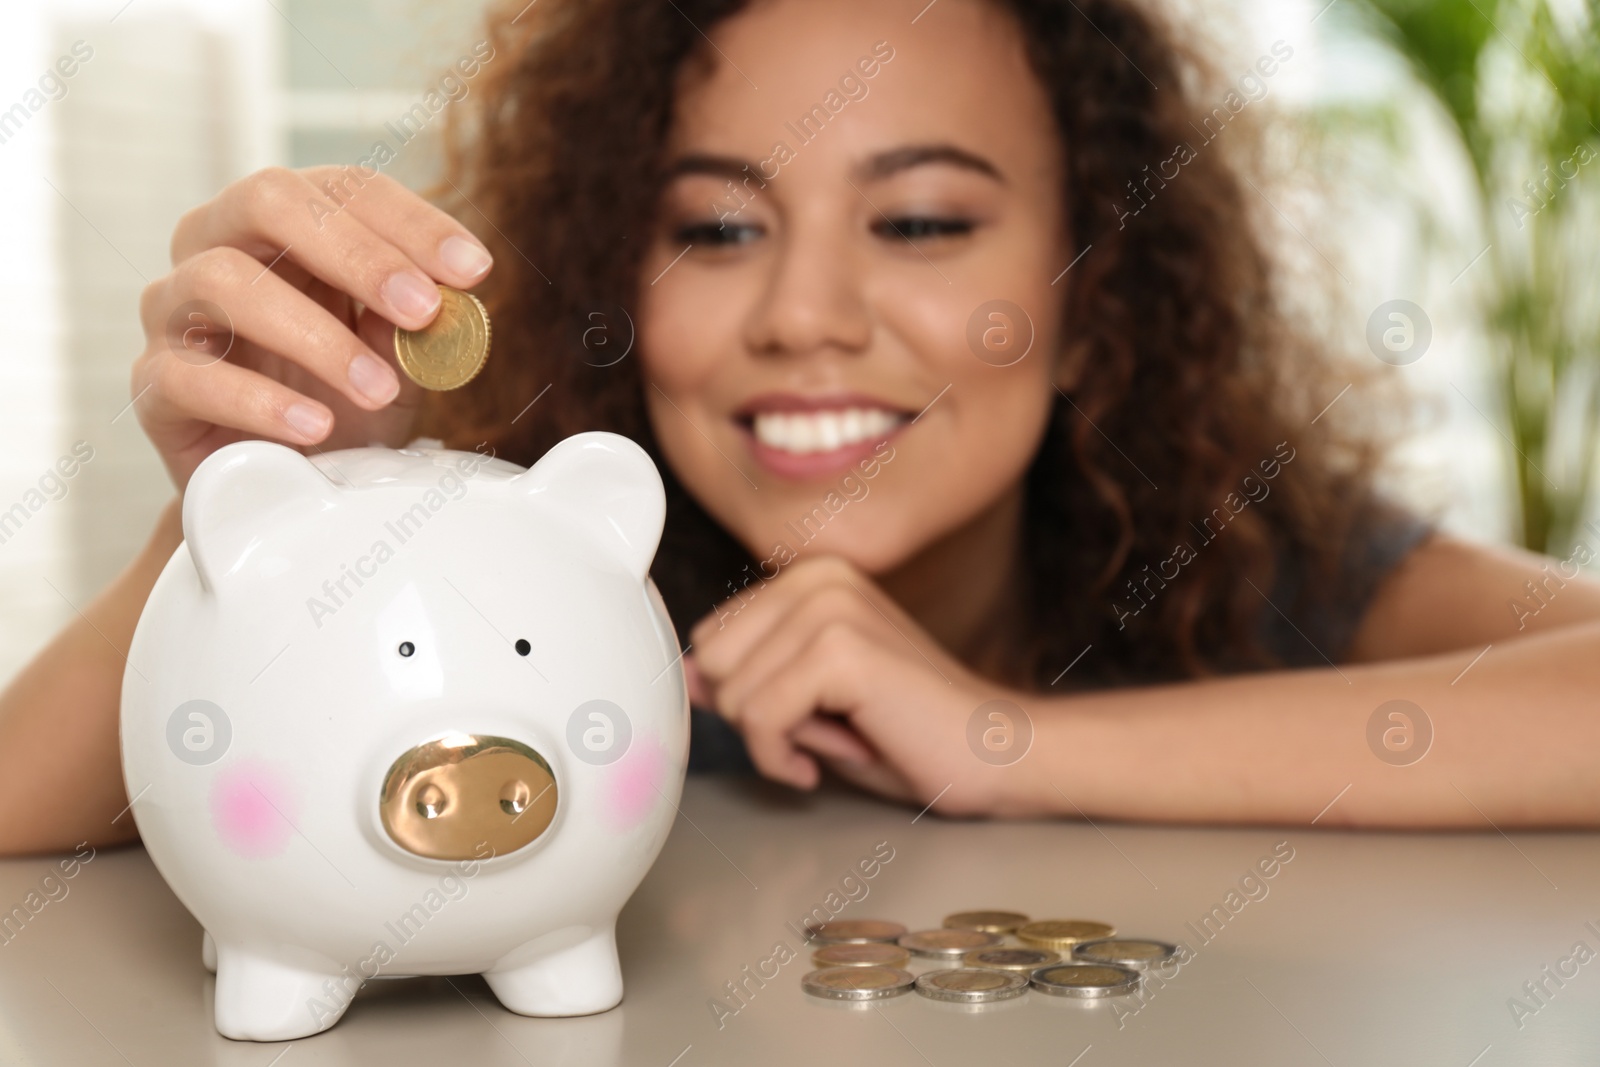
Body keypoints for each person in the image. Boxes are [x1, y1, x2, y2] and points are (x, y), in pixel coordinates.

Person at [4, 0, 1599, 856]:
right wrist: (244, 522)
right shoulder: (501, 569)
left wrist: (1004, 744)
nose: (806, 317)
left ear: (1096, 297)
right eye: (713, 230)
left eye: (918, 225)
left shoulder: (1262, 563)